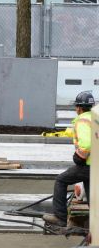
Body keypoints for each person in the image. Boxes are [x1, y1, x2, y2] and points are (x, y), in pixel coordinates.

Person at [42, 91, 94, 228]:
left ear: (79, 107)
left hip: (89, 164)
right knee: (91, 192)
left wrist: (80, 157)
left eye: (76, 106)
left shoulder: (82, 120)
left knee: (61, 180)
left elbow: (87, 143)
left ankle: (60, 217)